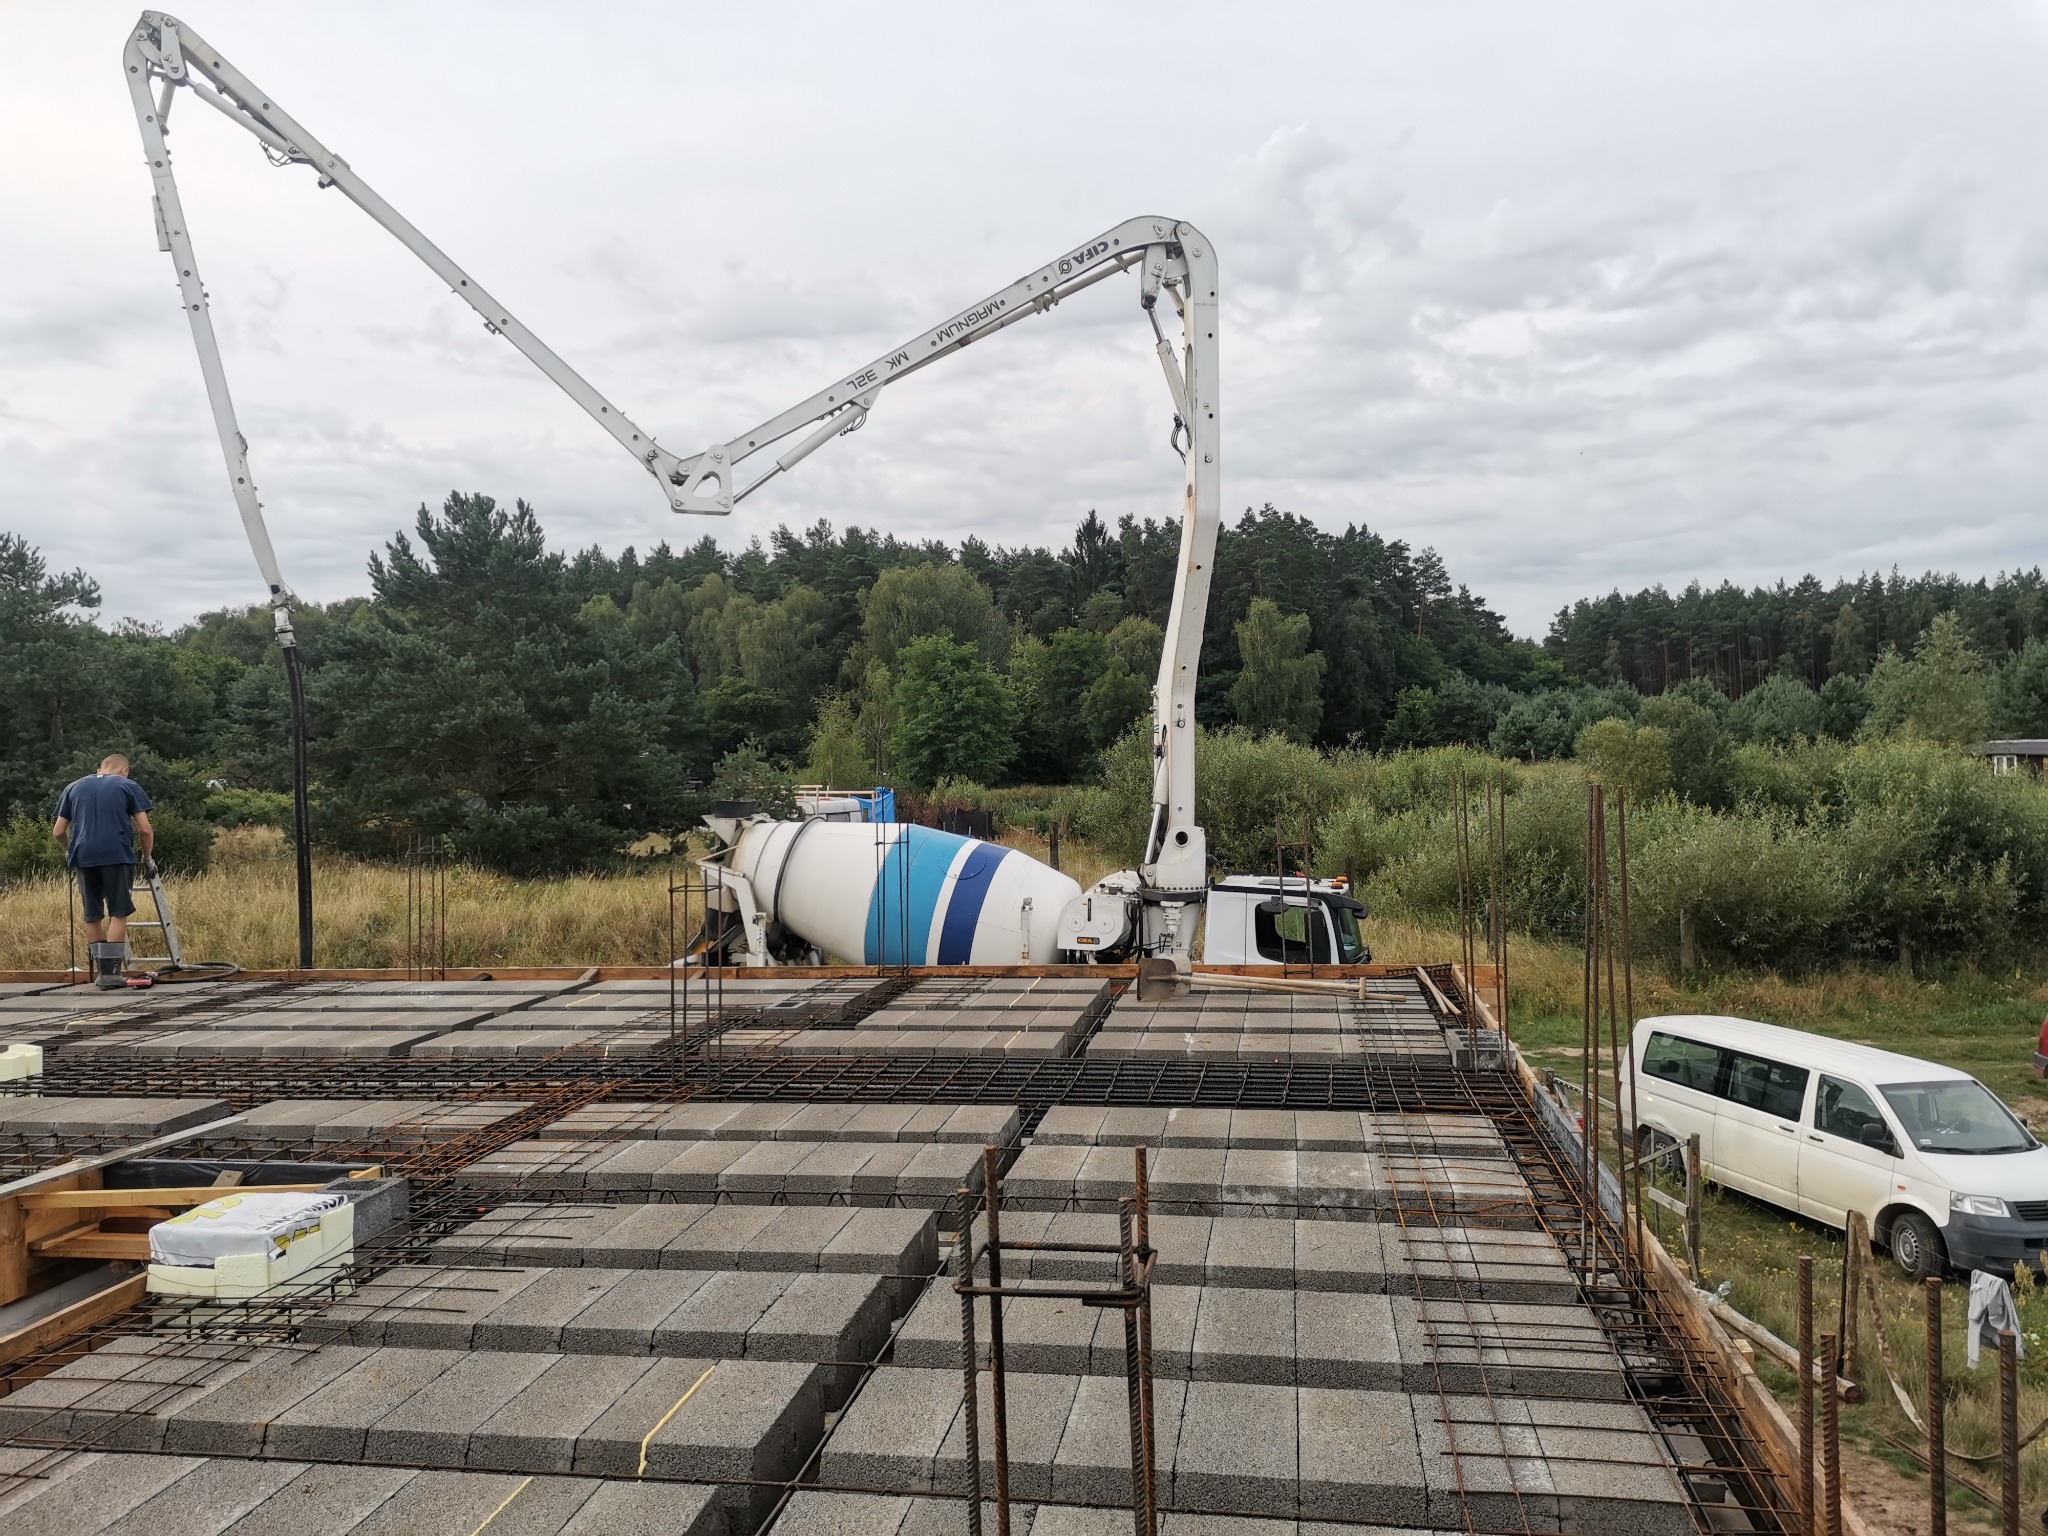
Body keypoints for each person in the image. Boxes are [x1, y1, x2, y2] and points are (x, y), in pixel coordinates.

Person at [51, 754, 155, 988]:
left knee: (93, 913)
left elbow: (58, 831)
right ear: (124, 770)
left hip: (84, 857)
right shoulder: (128, 786)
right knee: (118, 912)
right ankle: (111, 975)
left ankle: (102, 972)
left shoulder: (73, 787)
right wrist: (147, 858)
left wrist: (71, 851)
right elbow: (145, 830)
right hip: (117, 855)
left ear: (99, 768)